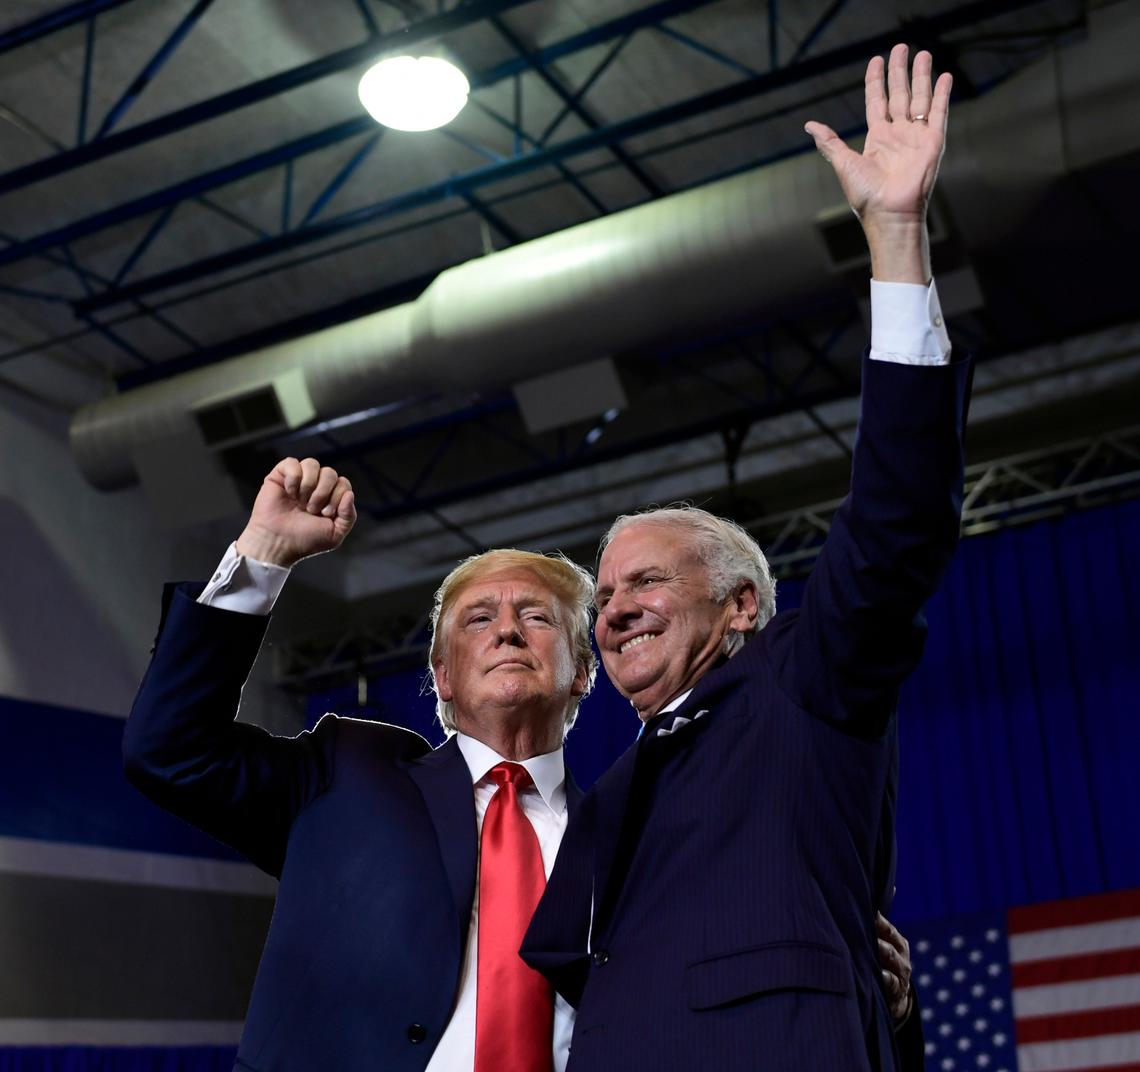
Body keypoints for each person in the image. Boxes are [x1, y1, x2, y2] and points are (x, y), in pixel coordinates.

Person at [521, 43, 967, 1072]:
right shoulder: (615, 793)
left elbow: (896, 526)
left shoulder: (800, 684)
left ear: (739, 610)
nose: (615, 605)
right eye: (606, 592)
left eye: (649, 579)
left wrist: (896, 238)